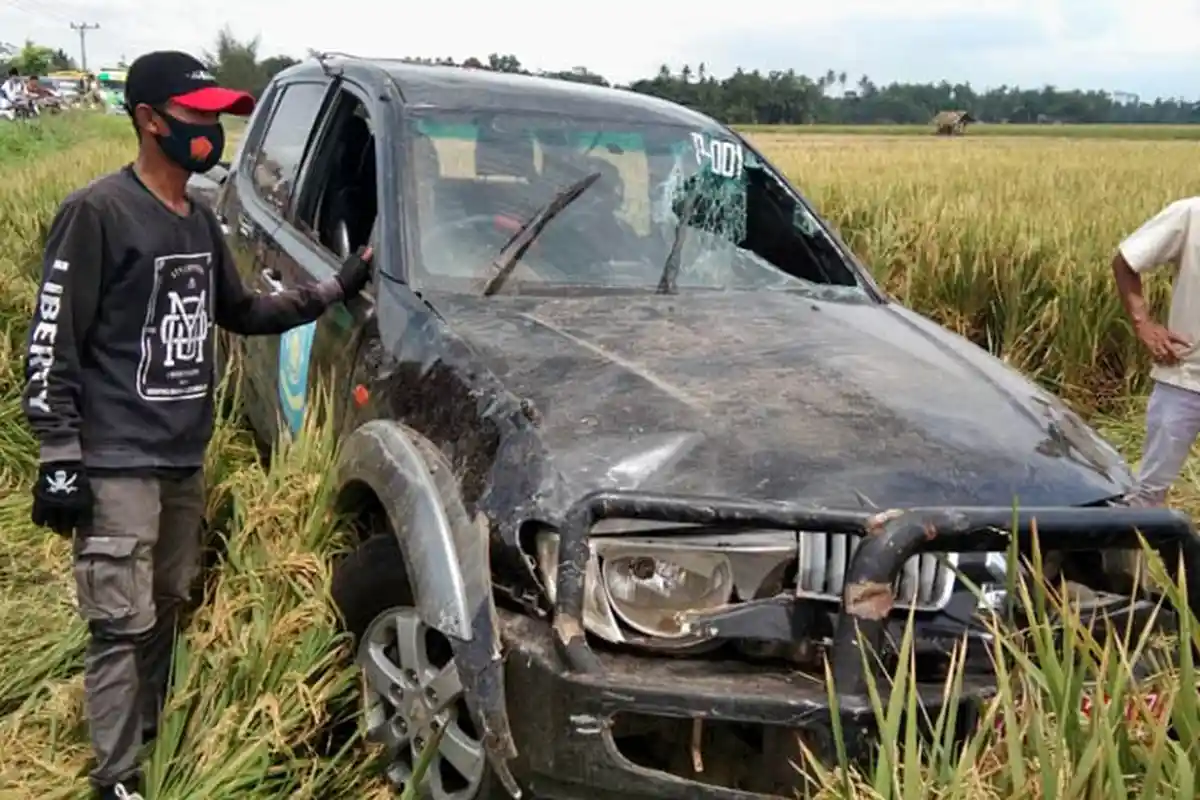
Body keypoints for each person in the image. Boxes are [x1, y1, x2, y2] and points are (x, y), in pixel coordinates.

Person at [19, 50, 372, 800]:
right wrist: (57, 451)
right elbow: (53, 335)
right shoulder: (98, 213)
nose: (212, 130)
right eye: (196, 116)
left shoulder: (199, 220)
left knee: (168, 602)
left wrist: (333, 288)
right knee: (119, 621)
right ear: (149, 120)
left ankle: (148, 731)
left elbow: (241, 313)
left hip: (183, 454)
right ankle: (116, 778)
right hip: (115, 457)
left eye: (218, 116)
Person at [1112, 197, 1200, 509]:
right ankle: (1135, 556)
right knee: (1147, 496)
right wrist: (1144, 325)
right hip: (1185, 377)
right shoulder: (1192, 214)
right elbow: (1125, 260)